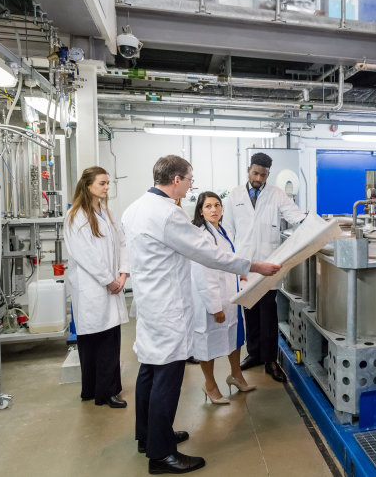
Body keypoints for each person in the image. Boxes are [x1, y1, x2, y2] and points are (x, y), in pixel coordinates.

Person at [122, 155, 280, 475]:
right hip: (168, 307)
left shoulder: (135, 207)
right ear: (176, 179)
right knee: (167, 379)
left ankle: (149, 436)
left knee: (149, 372)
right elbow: (206, 252)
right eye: (189, 179)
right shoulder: (168, 214)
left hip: (150, 305)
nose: (191, 185)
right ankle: (161, 455)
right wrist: (254, 266)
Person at [223, 152, 305, 382]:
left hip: (268, 265)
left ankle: (270, 360)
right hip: (245, 265)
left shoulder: (276, 194)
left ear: (269, 174)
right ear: (248, 170)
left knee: (268, 315)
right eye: (256, 173)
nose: (259, 178)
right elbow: (228, 230)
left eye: (264, 174)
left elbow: (295, 216)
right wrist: (232, 262)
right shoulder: (235, 195)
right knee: (249, 312)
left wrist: (311, 223)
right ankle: (255, 354)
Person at [64, 166, 129, 409]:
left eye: (107, 183)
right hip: (94, 288)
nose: (106, 187)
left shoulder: (106, 213)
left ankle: (107, 390)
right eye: (102, 183)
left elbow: (123, 243)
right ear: (88, 185)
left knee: (109, 341)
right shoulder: (75, 216)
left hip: (111, 285)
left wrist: (123, 274)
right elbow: (86, 256)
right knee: (94, 342)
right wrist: (108, 280)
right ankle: (94, 390)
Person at [191, 191, 256, 405]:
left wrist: (240, 272)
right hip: (212, 299)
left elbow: (228, 259)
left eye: (217, 205)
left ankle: (236, 375)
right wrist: (214, 306)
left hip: (230, 296)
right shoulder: (201, 235)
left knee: (235, 337)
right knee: (207, 342)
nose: (214, 209)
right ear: (200, 210)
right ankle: (209, 384)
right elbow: (203, 274)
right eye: (208, 206)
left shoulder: (223, 230)